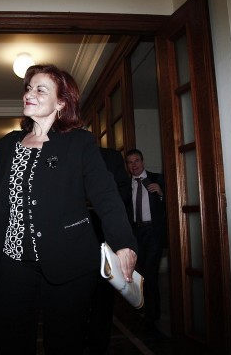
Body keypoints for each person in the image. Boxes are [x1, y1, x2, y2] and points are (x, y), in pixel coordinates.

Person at [0, 64, 138, 355]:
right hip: (11, 261)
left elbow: (106, 196)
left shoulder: (79, 143)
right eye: (28, 88)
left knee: (64, 344)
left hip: (69, 261)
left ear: (61, 102)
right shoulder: (8, 144)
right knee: (9, 342)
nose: (29, 94)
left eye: (40, 89)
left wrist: (124, 243)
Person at [85, 147, 132, 354]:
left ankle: (98, 344)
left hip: (103, 230)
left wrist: (98, 200)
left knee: (103, 290)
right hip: (74, 234)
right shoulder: (63, 153)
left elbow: (123, 189)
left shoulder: (109, 156)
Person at [125, 149, 166, 331]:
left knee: (150, 272)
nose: (134, 165)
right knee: (143, 274)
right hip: (136, 234)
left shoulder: (157, 179)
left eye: (137, 161)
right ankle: (150, 310)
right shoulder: (126, 185)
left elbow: (176, 202)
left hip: (154, 233)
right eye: (130, 162)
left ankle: (150, 315)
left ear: (143, 161)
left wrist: (162, 193)